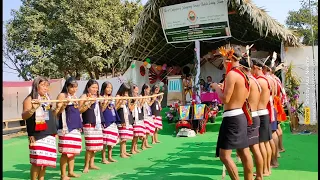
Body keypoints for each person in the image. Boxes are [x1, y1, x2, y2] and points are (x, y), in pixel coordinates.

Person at [211, 46, 253, 180]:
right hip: (240, 115)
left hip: (232, 118)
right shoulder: (244, 75)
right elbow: (241, 95)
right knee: (244, 152)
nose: (223, 63)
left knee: (225, 156)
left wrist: (217, 88)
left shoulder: (232, 74)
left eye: (223, 59)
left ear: (229, 59)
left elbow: (225, 99)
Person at [22, 77, 57, 180]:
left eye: (47, 86)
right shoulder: (30, 99)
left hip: (49, 131)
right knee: (37, 161)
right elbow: (24, 116)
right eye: (43, 85)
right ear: (36, 86)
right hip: (36, 133)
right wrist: (33, 108)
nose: (45, 88)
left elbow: (51, 114)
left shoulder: (48, 98)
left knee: (45, 161)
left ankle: (41, 178)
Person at [240, 58, 264, 180]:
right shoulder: (255, 81)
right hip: (255, 115)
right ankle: (259, 175)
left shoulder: (248, 80)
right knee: (255, 148)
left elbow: (241, 98)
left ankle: (256, 176)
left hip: (250, 117)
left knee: (250, 149)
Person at [55, 77, 82, 179]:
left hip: (75, 126)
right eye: (72, 87)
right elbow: (57, 111)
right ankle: (63, 175)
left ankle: (71, 172)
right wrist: (63, 105)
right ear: (67, 86)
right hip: (66, 127)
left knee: (73, 151)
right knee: (66, 152)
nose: (74, 89)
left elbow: (77, 110)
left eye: (76, 87)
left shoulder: (74, 96)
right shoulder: (62, 95)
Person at [252, 58, 273, 176]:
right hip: (264, 112)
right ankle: (266, 169)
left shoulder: (259, 81)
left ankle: (264, 170)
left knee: (261, 144)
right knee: (266, 143)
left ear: (255, 67)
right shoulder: (267, 79)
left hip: (260, 113)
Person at [79, 79, 104, 173]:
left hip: (97, 123)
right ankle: (86, 166)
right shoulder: (84, 96)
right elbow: (79, 110)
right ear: (88, 87)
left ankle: (92, 164)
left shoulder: (98, 96)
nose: (95, 89)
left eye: (97, 88)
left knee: (95, 146)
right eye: (93, 87)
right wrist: (89, 102)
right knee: (89, 147)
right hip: (88, 123)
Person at [263, 58, 280, 168]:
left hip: (268, 108)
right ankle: (274, 157)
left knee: (268, 137)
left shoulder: (267, 79)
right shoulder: (274, 79)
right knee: (273, 133)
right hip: (272, 106)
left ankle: (272, 162)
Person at [100, 81, 121, 164]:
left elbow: (113, 108)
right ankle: (103, 158)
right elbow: (101, 110)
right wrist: (106, 102)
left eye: (111, 88)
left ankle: (110, 156)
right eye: (108, 87)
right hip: (105, 120)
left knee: (111, 140)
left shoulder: (111, 97)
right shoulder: (101, 97)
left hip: (112, 120)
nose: (109, 89)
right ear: (104, 88)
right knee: (105, 140)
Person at [115, 83, 134, 158]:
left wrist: (128, 100)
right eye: (125, 91)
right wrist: (121, 101)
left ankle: (125, 152)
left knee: (125, 136)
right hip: (121, 116)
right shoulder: (118, 96)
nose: (126, 93)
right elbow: (116, 108)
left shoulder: (126, 97)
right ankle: (121, 153)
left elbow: (129, 107)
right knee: (122, 137)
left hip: (126, 116)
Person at [130, 84, 146, 154]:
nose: (137, 91)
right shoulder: (131, 98)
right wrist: (135, 100)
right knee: (135, 135)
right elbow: (131, 108)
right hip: (133, 117)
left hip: (139, 116)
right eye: (135, 90)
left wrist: (142, 100)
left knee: (137, 134)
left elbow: (140, 106)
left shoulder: (137, 97)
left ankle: (135, 148)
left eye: (137, 90)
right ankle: (132, 149)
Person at [141, 84, 155, 149]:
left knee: (148, 130)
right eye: (148, 89)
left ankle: (145, 143)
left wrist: (152, 100)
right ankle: (143, 144)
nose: (149, 91)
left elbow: (149, 104)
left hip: (149, 114)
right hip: (144, 115)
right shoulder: (141, 96)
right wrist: (144, 98)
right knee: (146, 130)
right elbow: (141, 104)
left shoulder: (148, 96)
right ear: (145, 89)